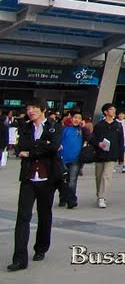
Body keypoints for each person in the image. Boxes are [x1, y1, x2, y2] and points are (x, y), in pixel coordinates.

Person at [7, 101, 62, 272]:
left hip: (47, 178)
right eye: (28, 109)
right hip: (29, 178)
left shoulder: (54, 127)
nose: (30, 111)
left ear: (43, 110)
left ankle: (41, 248)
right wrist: (41, 145)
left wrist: (31, 152)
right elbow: (20, 147)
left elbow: (53, 147)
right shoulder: (25, 127)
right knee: (23, 217)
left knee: (44, 215)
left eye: (34, 109)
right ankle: (19, 259)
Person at [90, 103, 124, 209]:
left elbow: (121, 141)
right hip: (100, 154)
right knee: (99, 176)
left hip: (112, 154)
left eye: (114, 109)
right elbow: (93, 139)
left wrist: (121, 157)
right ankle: (99, 195)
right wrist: (98, 144)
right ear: (105, 112)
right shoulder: (99, 125)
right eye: (111, 109)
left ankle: (102, 197)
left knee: (106, 176)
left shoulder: (118, 126)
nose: (113, 111)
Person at [57, 109, 85, 210]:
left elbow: (90, 138)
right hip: (63, 158)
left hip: (76, 159)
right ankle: (63, 197)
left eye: (79, 118)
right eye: (75, 118)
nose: (77, 120)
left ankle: (71, 200)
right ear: (71, 118)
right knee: (63, 180)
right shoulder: (65, 129)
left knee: (72, 181)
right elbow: (58, 141)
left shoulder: (82, 131)